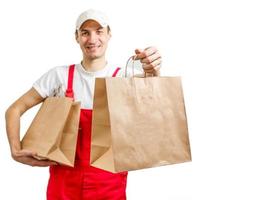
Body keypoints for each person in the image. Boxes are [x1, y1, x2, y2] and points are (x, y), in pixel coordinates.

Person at [5, 9, 161, 200]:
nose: (92, 38)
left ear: (109, 34)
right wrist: (15, 149)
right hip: (63, 186)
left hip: (109, 187)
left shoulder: (123, 77)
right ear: (76, 37)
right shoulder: (59, 77)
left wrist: (152, 71)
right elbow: (14, 109)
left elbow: (154, 105)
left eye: (99, 31)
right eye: (85, 32)